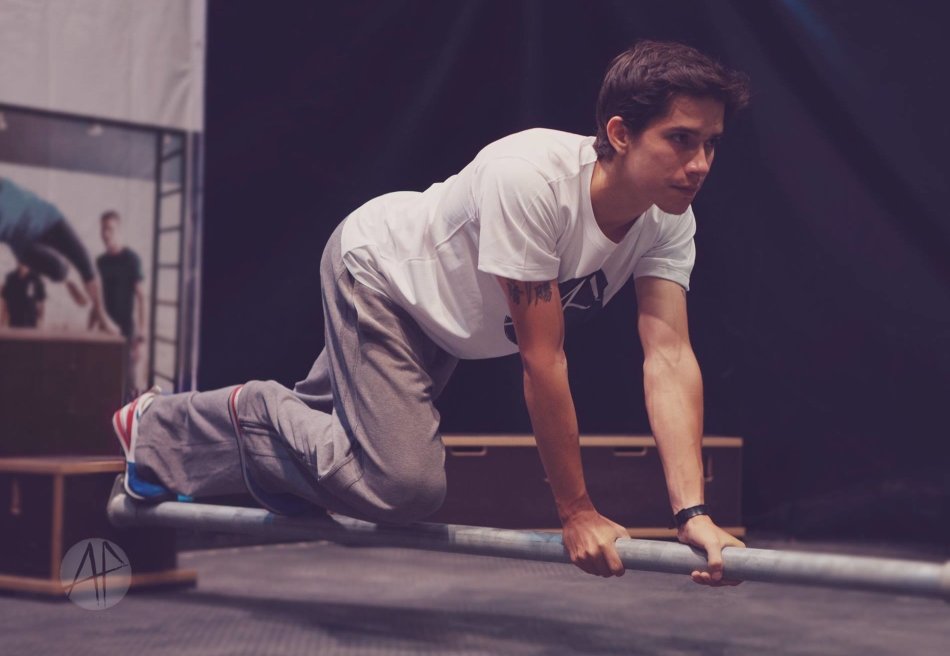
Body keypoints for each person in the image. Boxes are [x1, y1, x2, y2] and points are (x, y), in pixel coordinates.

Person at [113, 39, 751, 587]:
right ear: (620, 132)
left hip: (453, 320)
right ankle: (253, 407)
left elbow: (668, 357)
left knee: (324, 439)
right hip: (384, 276)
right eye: (681, 141)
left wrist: (690, 512)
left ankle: (156, 436)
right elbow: (543, 358)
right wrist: (576, 510)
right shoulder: (532, 180)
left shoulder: (669, 221)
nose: (700, 165)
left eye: (712, 145)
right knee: (401, 489)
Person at [0, 177, 116, 332]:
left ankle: (101, 315)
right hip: (23, 243)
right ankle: (69, 280)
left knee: (84, 260)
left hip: (48, 219)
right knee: (57, 269)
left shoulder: (4, 185)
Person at [95, 210, 147, 397]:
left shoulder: (131, 259)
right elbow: (97, 301)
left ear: (119, 230)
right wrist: (91, 329)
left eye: (109, 229)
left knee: (129, 384)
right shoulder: (100, 262)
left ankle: (129, 423)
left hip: (127, 332)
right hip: (104, 333)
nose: (105, 233)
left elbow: (142, 298)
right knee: (105, 382)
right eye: (103, 229)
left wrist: (141, 336)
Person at [0, 262, 46, 328]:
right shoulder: (10, 278)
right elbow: (4, 301)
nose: (21, 265)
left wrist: (41, 322)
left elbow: (42, 301)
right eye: (19, 262)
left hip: (31, 322)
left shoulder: (36, 278)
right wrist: (2, 321)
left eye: (24, 262)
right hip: (14, 321)